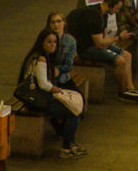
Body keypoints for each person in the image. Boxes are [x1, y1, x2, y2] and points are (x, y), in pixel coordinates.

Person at [64, 0, 138, 103]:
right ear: (110, 4)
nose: (117, 12)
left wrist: (105, 43)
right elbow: (99, 42)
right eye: (117, 9)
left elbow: (104, 38)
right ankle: (123, 92)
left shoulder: (103, 14)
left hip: (96, 45)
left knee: (127, 55)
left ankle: (130, 88)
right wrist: (119, 38)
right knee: (120, 61)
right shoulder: (94, 15)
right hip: (86, 49)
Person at [14, 28, 85, 158]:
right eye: (49, 42)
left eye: (54, 42)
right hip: (39, 100)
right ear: (42, 43)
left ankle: (70, 144)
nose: (53, 45)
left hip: (36, 97)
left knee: (73, 109)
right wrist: (57, 90)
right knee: (74, 113)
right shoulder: (41, 59)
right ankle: (67, 148)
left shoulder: (35, 55)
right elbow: (43, 84)